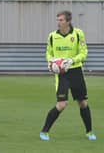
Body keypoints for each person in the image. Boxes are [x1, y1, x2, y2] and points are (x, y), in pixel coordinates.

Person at [40, 10, 96, 141]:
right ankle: (44, 132)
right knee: (61, 104)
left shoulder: (78, 34)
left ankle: (89, 132)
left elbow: (84, 53)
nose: (58, 23)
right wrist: (52, 62)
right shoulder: (52, 36)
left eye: (61, 20)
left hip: (76, 71)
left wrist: (72, 60)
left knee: (83, 103)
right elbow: (48, 53)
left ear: (68, 21)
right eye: (57, 20)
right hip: (62, 74)